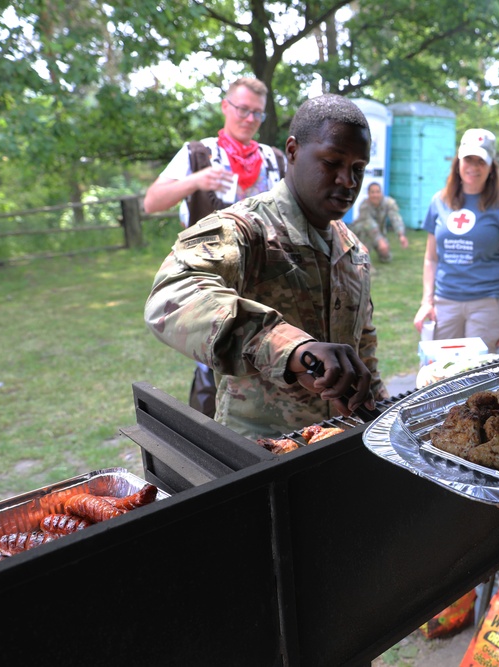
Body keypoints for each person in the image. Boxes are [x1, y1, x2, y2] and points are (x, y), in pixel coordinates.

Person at [144, 94, 386, 438]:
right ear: (292, 151)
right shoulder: (245, 229)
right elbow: (171, 298)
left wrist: (379, 406)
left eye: (358, 169)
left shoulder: (352, 250)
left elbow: (363, 346)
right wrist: (291, 348)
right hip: (260, 452)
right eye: (332, 162)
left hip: (340, 443)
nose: (348, 181)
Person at [142, 76, 287, 418]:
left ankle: (268, 438)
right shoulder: (199, 154)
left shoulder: (274, 160)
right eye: (243, 109)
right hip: (211, 282)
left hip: (266, 280)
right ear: (226, 107)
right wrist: (196, 181)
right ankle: (213, 449)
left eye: (258, 114)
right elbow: (151, 202)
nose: (249, 119)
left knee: (266, 357)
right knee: (213, 361)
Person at [412, 129, 499, 354]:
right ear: (458, 161)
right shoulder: (439, 202)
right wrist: (427, 301)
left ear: (491, 165)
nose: (473, 167)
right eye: (468, 159)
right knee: (441, 375)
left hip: (488, 305)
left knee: (480, 379)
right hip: (445, 303)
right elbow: (430, 258)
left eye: (481, 161)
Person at [350, 182, 409, 262]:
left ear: (381, 193)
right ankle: (362, 260)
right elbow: (370, 224)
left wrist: (401, 235)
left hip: (378, 233)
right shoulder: (364, 206)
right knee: (363, 229)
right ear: (368, 194)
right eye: (373, 192)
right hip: (362, 234)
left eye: (378, 192)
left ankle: (378, 253)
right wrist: (380, 240)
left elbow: (395, 218)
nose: (375, 195)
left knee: (386, 258)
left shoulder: (388, 203)